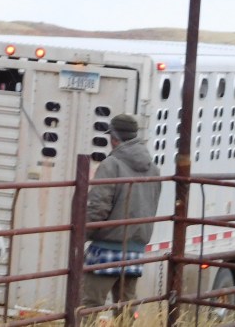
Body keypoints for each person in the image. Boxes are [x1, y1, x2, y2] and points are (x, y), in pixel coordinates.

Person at [81, 114, 161, 322]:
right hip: (135, 249)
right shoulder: (153, 169)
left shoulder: (111, 165)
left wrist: (82, 235)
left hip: (107, 247)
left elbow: (98, 208)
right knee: (126, 309)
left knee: (89, 305)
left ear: (114, 137)